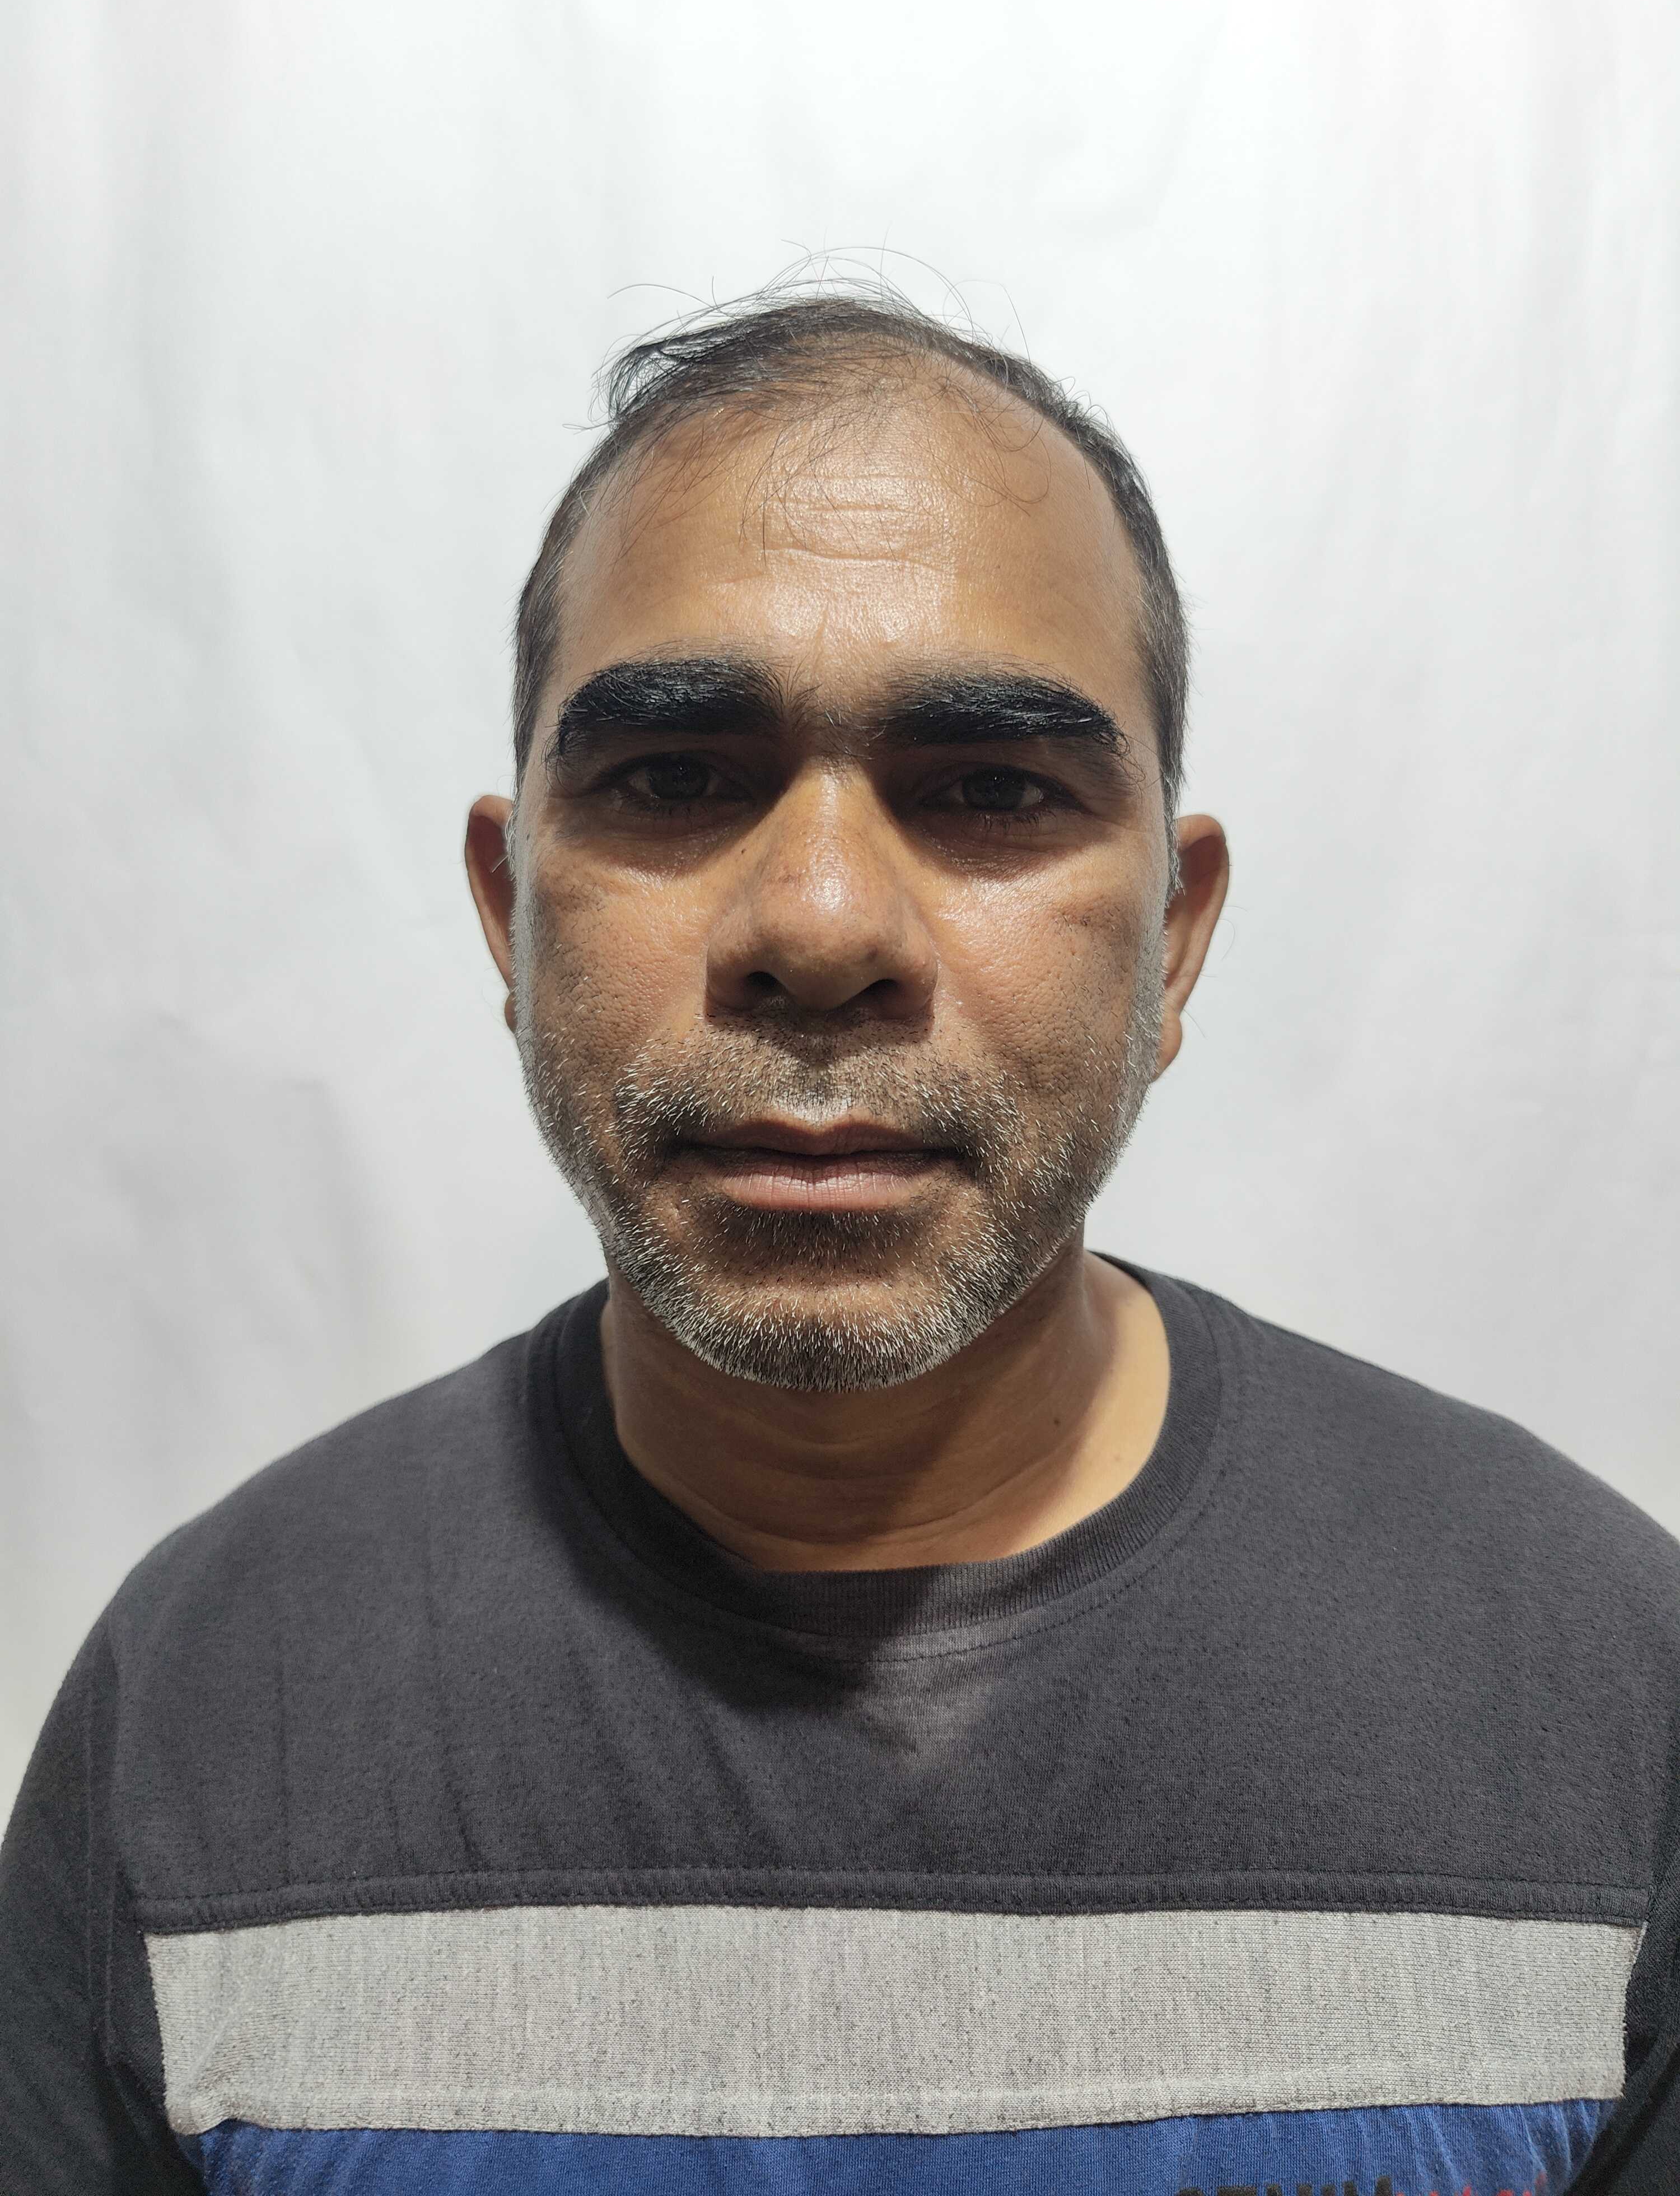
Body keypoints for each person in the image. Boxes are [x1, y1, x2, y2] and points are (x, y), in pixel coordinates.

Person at [2, 289, 1676, 2196]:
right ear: (507, 908)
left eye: (991, 788)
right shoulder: (213, 1710)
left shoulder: (1598, 1701)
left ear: (1173, 940)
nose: (816, 924)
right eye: (674, 778)